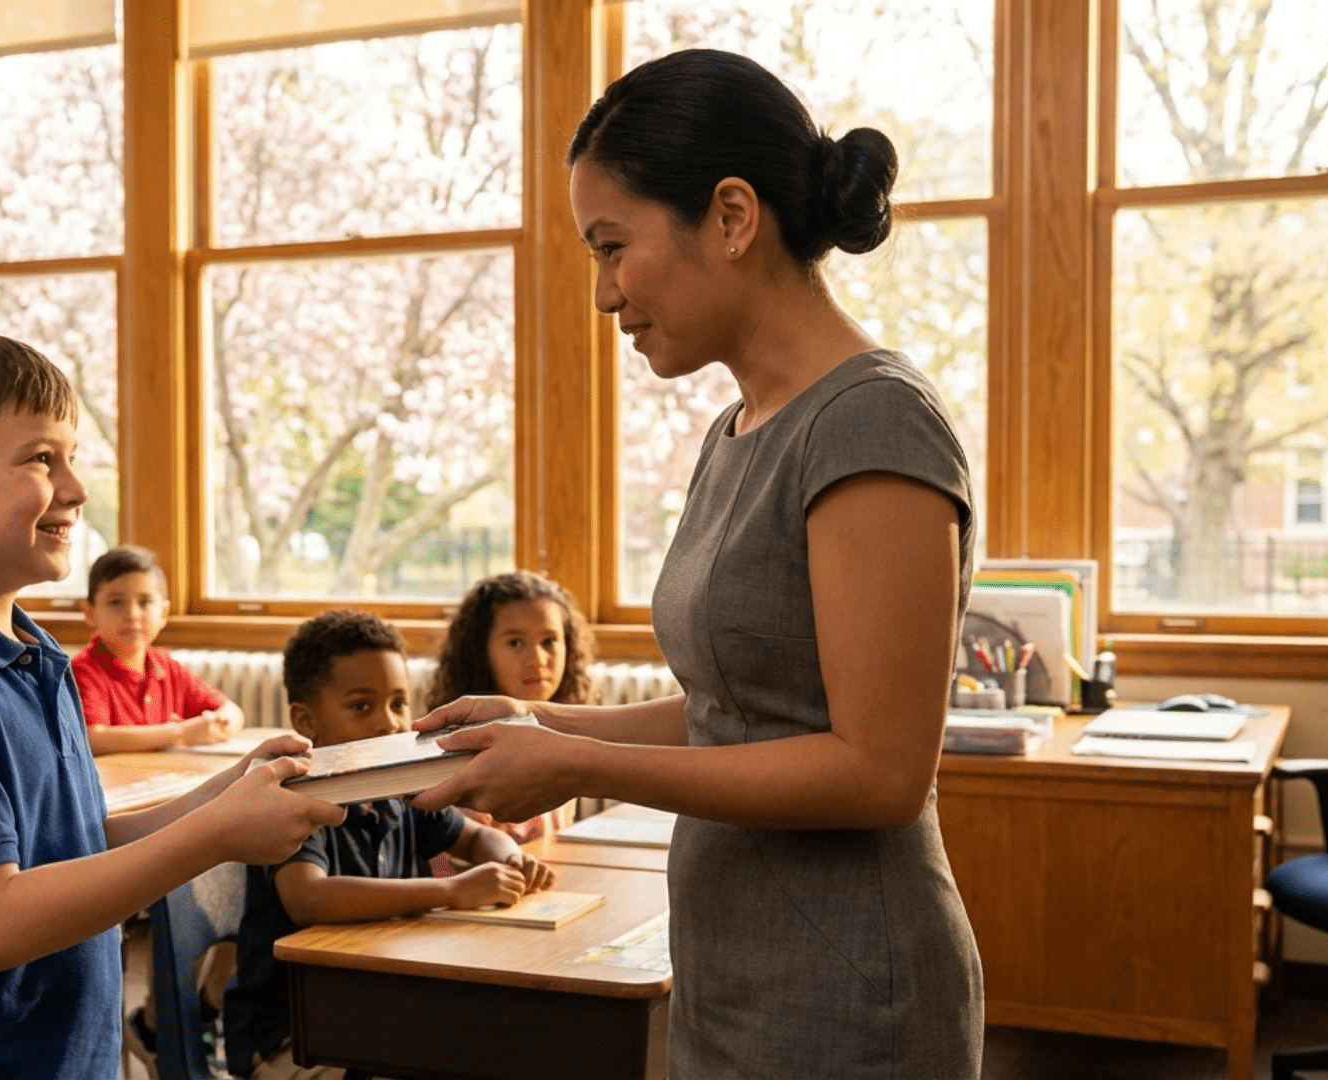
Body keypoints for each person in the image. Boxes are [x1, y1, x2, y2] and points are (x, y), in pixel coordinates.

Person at [412, 49, 983, 1078]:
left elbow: (880, 773)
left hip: (850, 984)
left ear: (730, 216)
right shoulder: (737, 429)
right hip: (733, 963)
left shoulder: (872, 423)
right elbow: (743, 710)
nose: (603, 294)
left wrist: (579, 764)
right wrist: (544, 726)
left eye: (612, 247)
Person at [0, 327, 343, 1077]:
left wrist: (222, 794)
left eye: (72, 458)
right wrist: (216, 836)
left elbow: (73, 844)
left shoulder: (33, 652)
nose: (74, 490)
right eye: (42, 459)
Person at [224, 609, 555, 1080]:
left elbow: (478, 835)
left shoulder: (399, 791)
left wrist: (512, 859)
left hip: (373, 1013)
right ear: (306, 721)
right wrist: (452, 890)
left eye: (399, 704)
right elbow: (308, 897)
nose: (389, 723)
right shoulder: (295, 801)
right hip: (293, 1039)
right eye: (362, 706)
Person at [427, 570, 595, 851]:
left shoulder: (563, 734)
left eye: (549, 641)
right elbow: (446, 860)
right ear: (480, 652)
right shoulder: (464, 749)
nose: (537, 660)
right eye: (515, 643)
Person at [73, 545, 244, 755]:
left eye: (145, 602)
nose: (132, 614)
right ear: (90, 613)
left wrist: (219, 724)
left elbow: (231, 710)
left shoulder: (167, 666)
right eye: (116, 602)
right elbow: (92, 738)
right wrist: (180, 733)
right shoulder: (83, 671)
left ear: (163, 613)